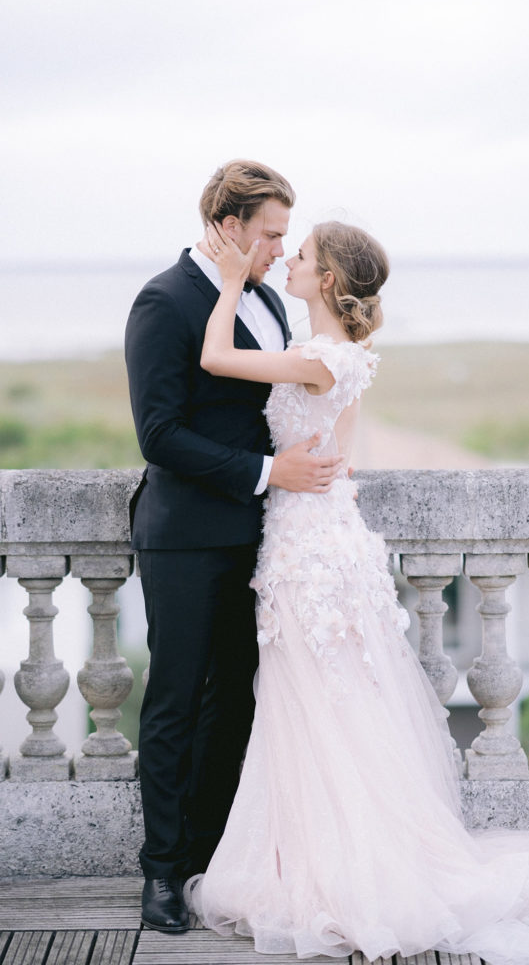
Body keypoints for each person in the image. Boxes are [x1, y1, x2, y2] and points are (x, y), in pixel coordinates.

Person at [184, 219, 529, 964]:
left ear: (326, 279)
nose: (287, 261)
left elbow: (213, 357)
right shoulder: (344, 356)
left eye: (300, 256)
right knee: (320, 703)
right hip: (324, 534)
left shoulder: (320, 359)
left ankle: (340, 873)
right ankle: (325, 861)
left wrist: (230, 282)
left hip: (309, 549)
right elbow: (341, 456)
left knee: (313, 702)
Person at [124, 160, 344, 934]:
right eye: (269, 234)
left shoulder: (261, 304)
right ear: (226, 227)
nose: (280, 251)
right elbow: (159, 434)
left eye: (288, 236)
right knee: (176, 699)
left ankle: (211, 860)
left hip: (258, 536)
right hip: (184, 536)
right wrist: (267, 470)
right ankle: (159, 873)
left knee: (237, 701)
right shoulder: (164, 300)